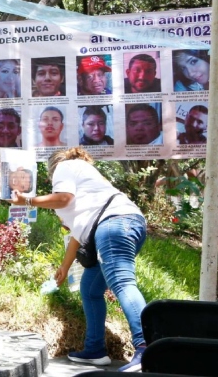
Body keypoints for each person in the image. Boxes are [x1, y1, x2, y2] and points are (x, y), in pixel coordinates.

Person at [9, 147, 147, 372]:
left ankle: (146, 347)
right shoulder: (87, 180)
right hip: (117, 225)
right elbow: (76, 234)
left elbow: (63, 198)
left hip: (113, 225)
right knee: (90, 290)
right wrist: (64, 267)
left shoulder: (66, 166)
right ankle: (95, 351)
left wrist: (27, 200)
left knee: (121, 282)